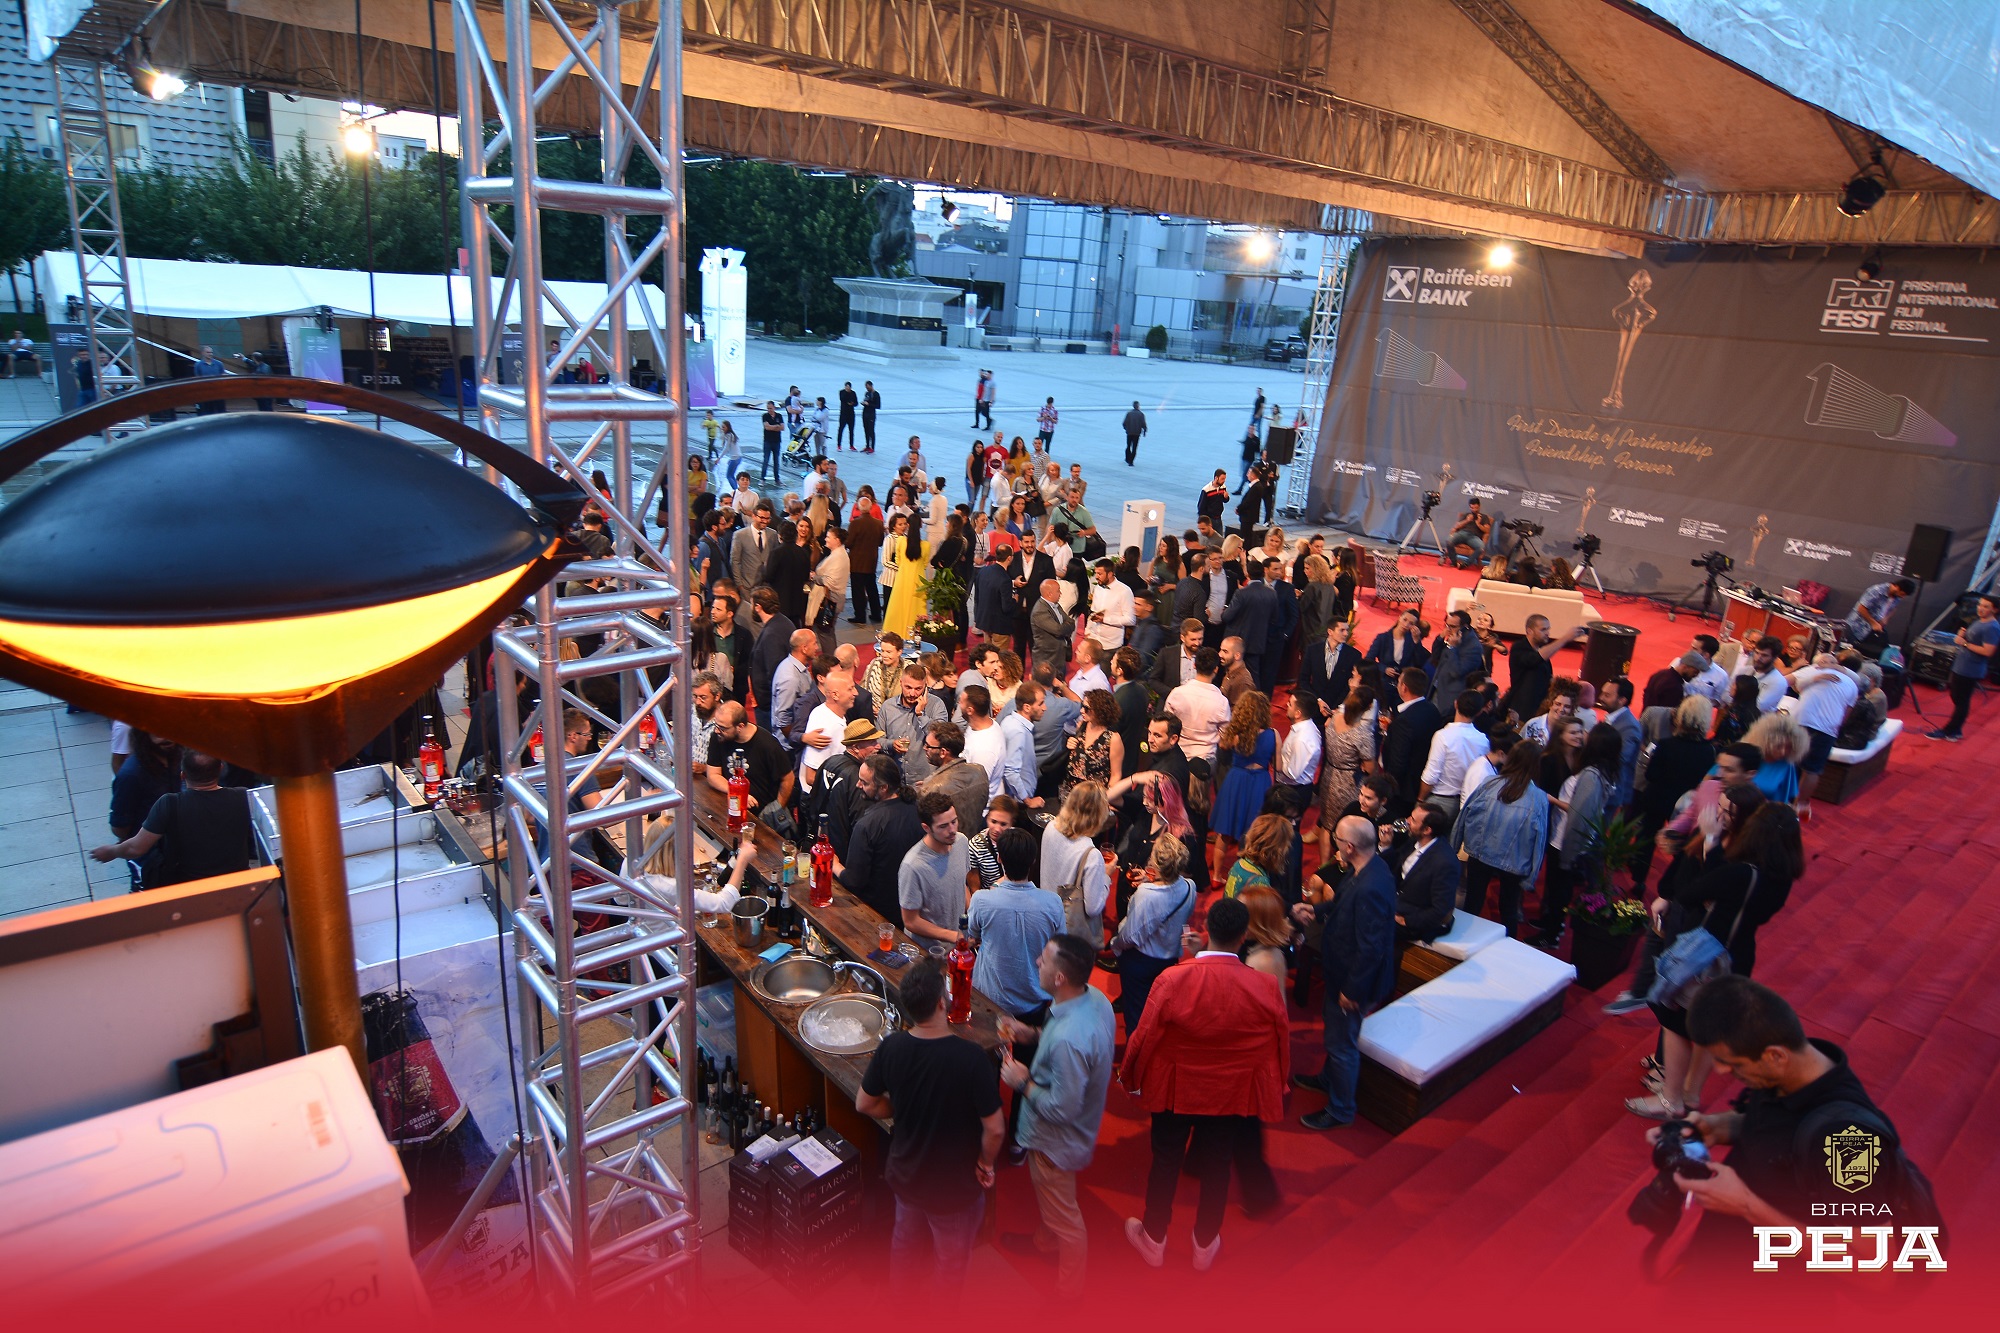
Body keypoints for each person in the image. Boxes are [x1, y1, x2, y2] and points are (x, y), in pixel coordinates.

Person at [1663, 975, 1931, 1275]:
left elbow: (1876, 1268)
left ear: (1776, 1056)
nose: (1721, 1070)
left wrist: (1748, 1206)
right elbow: (1782, 1128)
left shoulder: (1849, 1143)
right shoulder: (1783, 1071)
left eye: (1732, 1063)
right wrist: (1717, 1127)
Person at [1120, 896, 1287, 1269]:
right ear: (1243, 937)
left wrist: (1130, 1077)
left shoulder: (1173, 978)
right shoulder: (1264, 986)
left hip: (1174, 1087)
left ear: (1207, 929)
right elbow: (1276, 1043)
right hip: (1229, 1092)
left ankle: (1154, 1237)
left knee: (1166, 1160)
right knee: (1218, 1164)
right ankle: (1204, 1244)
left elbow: (1144, 1036)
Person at [1627, 794, 1803, 1120]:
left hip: (1705, 957)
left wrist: (1710, 841)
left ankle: (1671, 1100)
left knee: (1675, 1021)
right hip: (1739, 956)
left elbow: (1691, 893)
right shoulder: (1781, 878)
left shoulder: (1741, 873)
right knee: (1709, 1027)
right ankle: (1691, 1094)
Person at [855, 960, 1003, 1296]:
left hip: (907, 1175)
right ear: (941, 1003)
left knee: (904, 1245)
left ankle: (901, 1308)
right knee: (950, 1264)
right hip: (953, 1188)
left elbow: (864, 1103)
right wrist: (986, 1164)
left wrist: (901, 1106)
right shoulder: (971, 1058)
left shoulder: (891, 1048)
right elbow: (994, 1129)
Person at [993, 933, 1115, 1294]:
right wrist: (1031, 1034)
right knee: (1054, 1203)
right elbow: (1060, 1034)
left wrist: (1021, 1082)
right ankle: (1044, 1243)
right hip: (1068, 1134)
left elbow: (1062, 1109)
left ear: (1060, 977)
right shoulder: (1094, 999)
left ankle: (1069, 1294)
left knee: (1066, 1218)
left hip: (1055, 1143)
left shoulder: (1068, 1041)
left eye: (1043, 960)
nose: (1037, 963)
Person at [1290, 816, 1396, 1130]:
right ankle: (1328, 1079)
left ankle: (1341, 1109)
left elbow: (1370, 949)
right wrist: (1316, 910)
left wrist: (1352, 990)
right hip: (1341, 973)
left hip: (1353, 983)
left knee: (1342, 1045)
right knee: (1335, 1035)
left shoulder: (1371, 886)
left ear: (1349, 847)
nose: (1334, 846)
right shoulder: (1366, 867)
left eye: (1337, 840)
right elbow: (1342, 903)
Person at [90, 751, 255, 890]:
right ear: (221, 769)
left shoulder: (169, 804)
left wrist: (112, 851)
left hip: (190, 890)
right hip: (237, 885)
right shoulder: (243, 797)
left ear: (183, 775)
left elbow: (136, 848)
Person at [1528, 723, 1622, 949]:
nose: (1583, 735)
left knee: (1560, 889)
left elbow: (1579, 815)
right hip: (1564, 838)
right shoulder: (1599, 770)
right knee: (1556, 886)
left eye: (1588, 733)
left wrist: (1570, 853)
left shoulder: (1591, 775)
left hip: (1566, 841)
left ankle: (1552, 934)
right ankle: (1550, 923)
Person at [967, 827, 1066, 1021]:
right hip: (1035, 1001)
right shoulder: (1053, 903)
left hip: (989, 999)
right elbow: (1060, 947)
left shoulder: (981, 900)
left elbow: (972, 934)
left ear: (1000, 859)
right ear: (1033, 861)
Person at [1453, 741, 1550, 937]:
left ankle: (1461, 941)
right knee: (1509, 910)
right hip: (1514, 862)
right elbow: (1539, 840)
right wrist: (1531, 877)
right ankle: (1507, 948)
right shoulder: (1538, 797)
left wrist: (1454, 845)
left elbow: (1464, 816)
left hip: (1479, 853)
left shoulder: (1489, 783)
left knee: (1473, 903)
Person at [1111, 830, 1197, 1034]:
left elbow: (1130, 937)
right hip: (1169, 961)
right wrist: (1151, 880)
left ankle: (1135, 1054)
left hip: (1140, 962)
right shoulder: (1189, 887)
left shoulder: (1146, 895)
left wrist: (1116, 944)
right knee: (1159, 1014)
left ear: (1155, 863)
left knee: (1136, 1018)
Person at [1790, 653, 1860, 819]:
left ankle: (1788, 803)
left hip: (1801, 723)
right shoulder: (1852, 683)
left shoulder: (1811, 671)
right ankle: (1800, 806)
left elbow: (1791, 684)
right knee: (1811, 770)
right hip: (1826, 729)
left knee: (1794, 764)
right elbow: (1846, 714)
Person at [1041, 780, 1111, 944]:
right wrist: (1106, 877)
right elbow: (1093, 908)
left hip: (1045, 917)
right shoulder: (1091, 854)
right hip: (1069, 934)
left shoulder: (1051, 827)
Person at [1317, 686, 1379, 866]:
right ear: (1369, 707)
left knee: (1326, 824)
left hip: (1328, 774)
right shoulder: (1363, 733)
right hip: (1349, 783)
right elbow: (1370, 768)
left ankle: (1322, 866)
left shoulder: (1334, 717)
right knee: (1346, 825)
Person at [899, 792, 971, 945]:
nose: (952, 830)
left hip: (957, 945)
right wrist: (954, 936)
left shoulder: (961, 842)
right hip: (927, 951)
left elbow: (961, 884)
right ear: (926, 828)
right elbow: (911, 921)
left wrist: (973, 917)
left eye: (954, 821)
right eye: (943, 826)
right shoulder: (913, 865)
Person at [1210, 690, 1276, 856]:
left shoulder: (1236, 736)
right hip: (1261, 782)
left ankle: (1217, 871)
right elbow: (1279, 767)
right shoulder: (1273, 735)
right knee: (1253, 831)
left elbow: (1222, 746)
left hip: (1236, 781)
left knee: (1224, 832)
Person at [1929, 591, 1999, 741]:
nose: (1980, 608)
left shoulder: (1992, 627)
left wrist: (1965, 643)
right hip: (1962, 665)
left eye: (1985, 606)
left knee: (1962, 701)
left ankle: (1951, 730)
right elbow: (1971, 641)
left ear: (1995, 609)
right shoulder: (1979, 621)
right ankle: (1955, 729)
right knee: (1956, 696)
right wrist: (1962, 636)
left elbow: (1988, 651)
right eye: (1980, 605)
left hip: (1971, 669)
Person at [703, 702, 793, 811]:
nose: (717, 730)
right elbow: (713, 775)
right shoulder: (718, 737)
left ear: (740, 726)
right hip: (731, 806)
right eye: (716, 725)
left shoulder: (768, 745)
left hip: (761, 812)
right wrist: (738, 793)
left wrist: (777, 809)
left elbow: (788, 778)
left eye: (722, 728)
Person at [1393, 802, 1459, 943]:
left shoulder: (1445, 863)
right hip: (1397, 906)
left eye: (1413, 820)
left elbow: (1440, 910)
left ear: (1427, 830)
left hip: (1416, 921)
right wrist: (1385, 845)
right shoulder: (1413, 842)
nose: (1407, 821)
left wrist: (1406, 920)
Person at [1381, 667, 1444, 818]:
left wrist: (1388, 788)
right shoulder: (1432, 710)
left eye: (1398, 682)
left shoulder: (1404, 721)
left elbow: (1397, 763)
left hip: (1403, 791)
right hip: (1423, 784)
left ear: (1404, 687)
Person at [1418, 692, 1488, 819]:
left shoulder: (1443, 736)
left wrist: (1420, 799)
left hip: (1439, 801)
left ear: (1456, 704)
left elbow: (1431, 776)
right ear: (1479, 712)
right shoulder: (1483, 741)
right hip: (1465, 804)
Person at [1504, 614, 1583, 723]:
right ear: (1529, 631)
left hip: (1538, 711)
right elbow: (1534, 659)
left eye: (1548, 629)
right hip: (1521, 712)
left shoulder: (1542, 651)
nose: (1547, 633)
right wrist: (1565, 638)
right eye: (1543, 629)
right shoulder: (1519, 647)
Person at [917, 722, 992, 838]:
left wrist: (928, 786)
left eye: (928, 746)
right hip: (974, 840)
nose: (924, 748)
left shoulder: (930, 790)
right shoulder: (979, 771)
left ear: (943, 752)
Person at [1165, 648, 1231, 763]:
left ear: (1194, 665)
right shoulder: (1222, 702)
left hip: (1176, 757)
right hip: (1206, 759)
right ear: (1216, 669)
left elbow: (1166, 725)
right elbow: (1225, 736)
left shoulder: (1176, 693)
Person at [1059, 687, 1123, 802]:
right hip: (1069, 794)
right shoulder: (1082, 726)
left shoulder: (1113, 739)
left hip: (1092, 799)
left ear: (1099, 710)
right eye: (1082, 706)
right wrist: (1069, 744)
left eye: (1086, 708)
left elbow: (1115, 775)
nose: (1081, 711)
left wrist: (1105, 799)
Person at [1299, 618, 1363, 721]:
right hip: (1313, 708)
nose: (1346, 634)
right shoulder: (1313, 650)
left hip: (1338, 712)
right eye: (1342, 630)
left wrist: (1338, 708)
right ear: (1330, 631)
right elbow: (1303, 680)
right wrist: (1318, 700)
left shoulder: (1354, 655)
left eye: (1347, 630)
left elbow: (1350, 686)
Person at [882, 517, 931, 641]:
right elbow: (925, 564)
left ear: (908, 525)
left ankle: (896, 634)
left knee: (898, 607)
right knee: (916, 609)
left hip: (902, 579)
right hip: (919, 581)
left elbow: (898, 561)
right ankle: (915, 636)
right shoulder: (926, 545)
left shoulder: (901, 541)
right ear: (921, 525)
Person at [1845, 575, 1915, 655]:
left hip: (1869, 632)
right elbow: (1861, 608)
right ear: (1897, 587)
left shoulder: (1897, 597)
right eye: (1902, 594)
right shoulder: (1877, 591)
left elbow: (1893, 608)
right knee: (1850, 654)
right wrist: (1873, 623)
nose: (1902, 597)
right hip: (1855, 628)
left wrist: (1886, 618)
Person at [1085, 559, 1134, 653]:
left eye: (1100, 574)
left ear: (1110, 574)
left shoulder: (1124, 591)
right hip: (1093, 640)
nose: (1096, 577)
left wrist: (1105, 619)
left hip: (1110, 645)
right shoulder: (1098, 588)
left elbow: (1130, 620)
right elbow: (1093, 612)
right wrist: (1087, 631)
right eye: (1096, 573)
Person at [1029, 578, 1075, 678]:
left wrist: (1066, 626)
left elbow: (1071, 622)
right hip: (1047, 658)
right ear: (1049, 594)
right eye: (1058, 591)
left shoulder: (1056, 605)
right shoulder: (1040, 611)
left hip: (1058, 656)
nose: (1060, 593)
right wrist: (1067, 627)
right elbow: (1058, 630)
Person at [1365, 608, 1430, 677]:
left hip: (1403, 679)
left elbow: (1420, 662)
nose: (1406, 625)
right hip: (1383, 678)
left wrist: (1417, 642)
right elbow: (1368, 659)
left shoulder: (1412, 641)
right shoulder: (1383, 638)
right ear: (1399, 617)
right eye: (1405, 620)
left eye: (1411, 623)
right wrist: (1384, 669)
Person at [1444, 498, 1492, 566]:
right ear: (1470, 507)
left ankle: (1466, 564)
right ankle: (1454, 562)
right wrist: (1467, 520)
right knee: (1449, 541)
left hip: (1474, 537)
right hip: (1462, 534)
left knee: (1481, 547)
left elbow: (1487, 531)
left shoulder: (1484, 517)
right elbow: (1456, 526)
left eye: (1476, 508)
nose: (1474, 510)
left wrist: (1478, 524)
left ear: (1479, 506)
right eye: (1472, 508)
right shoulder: (1466, 515)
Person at [758, 400, 784, 480]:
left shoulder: (779, 416)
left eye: (770, 408)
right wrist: (776, 426)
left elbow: (782, 428)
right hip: (767, 441)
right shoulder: (765, 416)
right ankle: (762, 478)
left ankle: (777, 478)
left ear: (774, 408)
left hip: (777, 441)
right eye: (768, 408)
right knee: (766, 460)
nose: (769, 410)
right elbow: (767, 427)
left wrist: (772, 427)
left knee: (776, 461)